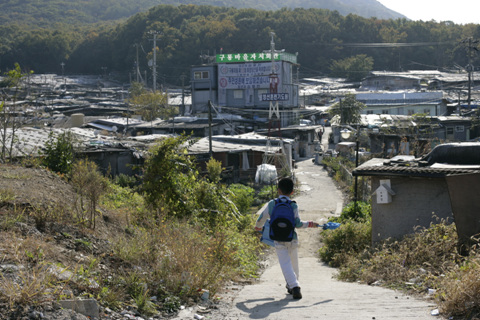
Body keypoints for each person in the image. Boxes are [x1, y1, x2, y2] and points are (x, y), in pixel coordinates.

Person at [255, 177, 320, 299]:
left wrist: (258, 227)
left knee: (285, 263)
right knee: (294, 263)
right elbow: (298, 224)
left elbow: (261, 219)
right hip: (292, 238)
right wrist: (311, 224)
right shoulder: (293, 205)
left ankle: (295, 286)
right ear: (292, 192)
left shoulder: (272, 204)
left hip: (278, 239)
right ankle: (292, 286)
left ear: (278, 190)